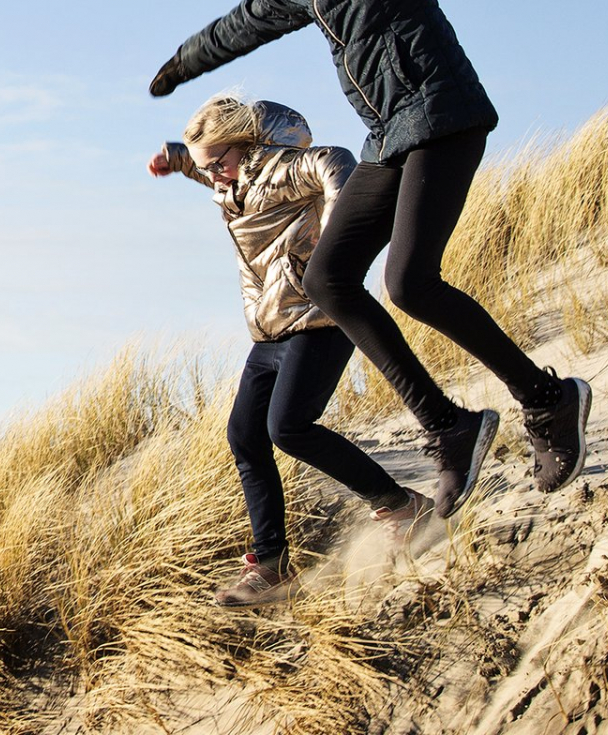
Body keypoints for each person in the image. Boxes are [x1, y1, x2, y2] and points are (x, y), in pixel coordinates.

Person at [146, 0, 590, 521]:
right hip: (389, 135)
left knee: (411, 282)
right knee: (328, 279)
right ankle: (449, 426)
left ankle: (546, 401)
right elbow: (239, 25)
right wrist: (181, 65)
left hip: (444, 114)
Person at [151, 94, 431, 607]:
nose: (214, 175)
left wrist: (342, 224)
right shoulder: (232, 181)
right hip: (270, 329)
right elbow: (208, 164)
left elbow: (336, 159)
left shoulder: (286, 168)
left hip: (318, 320)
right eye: (207, 165)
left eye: (219, 162)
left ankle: (400, 505)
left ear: (249, 145)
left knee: (289, 428)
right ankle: (272, 565)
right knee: (244, 435)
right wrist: (177, 156)